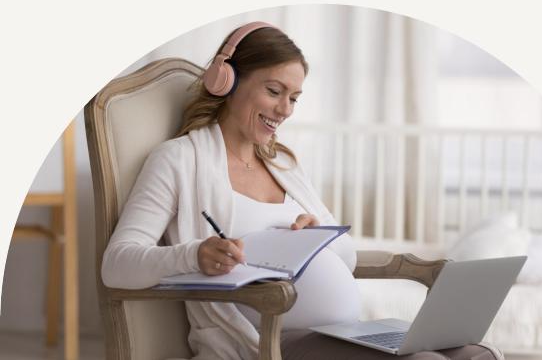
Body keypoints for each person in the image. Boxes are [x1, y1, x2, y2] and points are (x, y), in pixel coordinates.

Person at [101, 21, 501, 360]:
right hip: (268, 343)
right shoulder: (179, 161)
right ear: (227, 80)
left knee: (475, 354)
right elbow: (117, 264)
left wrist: (317, 238)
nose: (285, 109)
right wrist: (194, 255)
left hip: (345, 333)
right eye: (274, 92)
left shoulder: (284, 164)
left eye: (293, 98)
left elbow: (345, 255)